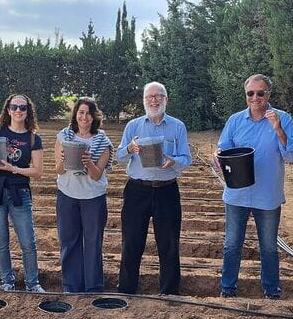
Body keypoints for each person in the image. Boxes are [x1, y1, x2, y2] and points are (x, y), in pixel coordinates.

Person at [214, 74, 293, 300]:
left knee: (269, 247)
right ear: (246, 95)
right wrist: (219, 157)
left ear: (268, 94)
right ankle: (228, 288)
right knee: (232, 244)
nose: (255, 97)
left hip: (267, 195)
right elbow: (223, 149)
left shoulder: (283, 119)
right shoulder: (235, 120)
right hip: (237, 194)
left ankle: (272, 291)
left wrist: (278, 129)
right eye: (250, 93)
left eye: (260, 93)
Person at [116, 81, 192, 295]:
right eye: (149, 96)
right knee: (131, 241)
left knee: (168, 244)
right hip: (137, 190)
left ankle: (169, 292)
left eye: (158, 96)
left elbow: (187, 158)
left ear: (166, 100)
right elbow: (120, 157)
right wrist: (130, 148)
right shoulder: (133, 126)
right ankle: (127, 289)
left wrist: (173, 161)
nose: (154, 100)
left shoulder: (177, 126)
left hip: (167, 190)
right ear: (144, 101)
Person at [0, 94, 46, 293]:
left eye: (23, 108)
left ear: (28, 112)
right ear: (8, 110)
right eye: (14, 107)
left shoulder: (33, 138)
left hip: (19, 192)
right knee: (1, 240)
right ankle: (7, 281)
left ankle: (32, 283)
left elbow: (38, 171)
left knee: (28, 241)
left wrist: (14, 169)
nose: (18, 110)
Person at [55, 97, 114, 293]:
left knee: (93, 242)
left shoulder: (102, 141)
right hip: (67, 195)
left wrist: (88, 162)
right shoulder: (63, 136)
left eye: (88, 113)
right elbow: (59, 170)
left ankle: (93, 287)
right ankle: (71, 286)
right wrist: (63, 160)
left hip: (93, 197)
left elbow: (97, 176)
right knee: (69, 240)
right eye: (80, 113)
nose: (84, 117)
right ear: (75, 115)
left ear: (94, 117)